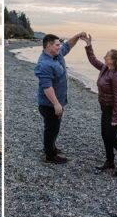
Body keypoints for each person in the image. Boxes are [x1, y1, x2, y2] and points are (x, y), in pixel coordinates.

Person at [81, 34, 117, 176]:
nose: (104, 57)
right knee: (105, 135)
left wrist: (115, 117)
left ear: (112, 60)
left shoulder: (116, 75)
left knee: (111, 136)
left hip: (115, 110)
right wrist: (88, 45)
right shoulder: (104, 69)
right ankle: (110, 161)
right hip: (105, 109)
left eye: (107, 55)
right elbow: (92, 60)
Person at [34, 32, 85, 163]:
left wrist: (78, 36)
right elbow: (47, 87)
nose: (59, 47)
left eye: (59, 45)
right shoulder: (45, 64)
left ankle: (52, 147)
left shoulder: (56, 54)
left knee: (55, 127)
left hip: (58, 102)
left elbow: (68, 45)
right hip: (49, 104)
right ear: (49, 46)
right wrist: (56, 104)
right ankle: (50, 156)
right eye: (57, 45)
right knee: (51, 128)